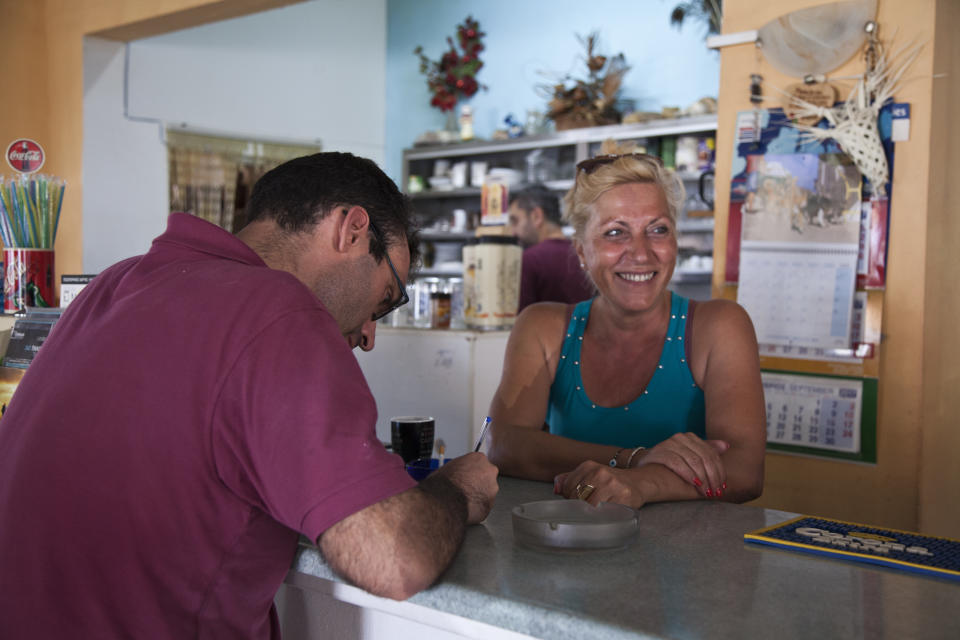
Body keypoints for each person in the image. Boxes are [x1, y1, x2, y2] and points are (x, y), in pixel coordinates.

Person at [0, 152, 499, 638]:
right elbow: (394, 558)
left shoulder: (114, 282)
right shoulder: (282, 311)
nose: (369, 333)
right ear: (351, 230)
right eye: (386, 299)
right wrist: (459, 489)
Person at [487, 143, 765, 508]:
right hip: (569, 547)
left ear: (675, 241)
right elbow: (504, 446)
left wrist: (642, 484)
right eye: (616, 232)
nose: (640, 252)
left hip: (694, 558)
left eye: (658, 229)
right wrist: (634, 458)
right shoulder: (543, 327)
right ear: (583, 252)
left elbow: (744, 470)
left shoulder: (719, 327)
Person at [507, 183, 594, 311]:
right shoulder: (585, 254)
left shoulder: (529, 259)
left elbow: (521, 320)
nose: (512, 231)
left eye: (515, 221)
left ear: (537, 216)